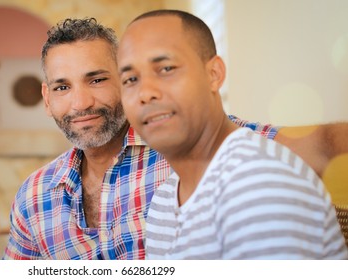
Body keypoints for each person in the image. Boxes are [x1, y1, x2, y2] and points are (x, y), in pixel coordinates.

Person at [3, 17, 347, 260]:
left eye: (96, 80)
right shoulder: (33, 198)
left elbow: (317, 146)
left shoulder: (190, 147)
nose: (81, 103)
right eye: (63, 87)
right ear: (47, 99)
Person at [117, 9, 348, 259]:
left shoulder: (258, 183)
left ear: (214, 74)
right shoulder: (164, 200)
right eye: (130, 79)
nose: (145, 92)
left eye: (166, 68)